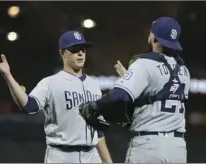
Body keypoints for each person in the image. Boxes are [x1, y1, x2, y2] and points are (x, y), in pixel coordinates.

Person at [79, 17, 191, 163]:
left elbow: (118, 96)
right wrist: (130, 78)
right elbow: (158, 95)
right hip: (178, 149)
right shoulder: (184, 70)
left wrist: (93, 107)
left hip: (149, 146)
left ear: (154, 37)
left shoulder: (144, 64)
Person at [0, 30, 112, 163]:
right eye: (74, 49)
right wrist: (7, 75)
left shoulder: (94, 85)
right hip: (61, 156)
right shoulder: (50, 83)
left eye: (83, 49)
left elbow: (98, 130)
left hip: (91, 156)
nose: (80, 53)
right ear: (62, 53)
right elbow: (28, 105)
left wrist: (108, 161)